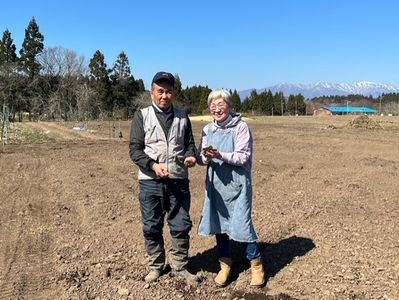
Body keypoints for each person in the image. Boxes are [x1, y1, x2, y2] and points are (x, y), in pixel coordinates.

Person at [129, 71, 199, 284]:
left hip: (178, 180)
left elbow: (189, 146)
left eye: (169, 91)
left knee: (180, 224)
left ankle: (179, 266)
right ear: (152, 93)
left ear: (173, 94)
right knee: (151, 225)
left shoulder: (182, 116)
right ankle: (156, 266)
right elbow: (135, 149)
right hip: (151, 181)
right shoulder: (142, 116)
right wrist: (152, 165)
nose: (164, 96)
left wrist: (190, 157)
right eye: (160, 91)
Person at [196, 89, 265, 287]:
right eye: (213, 107)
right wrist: (201, 157)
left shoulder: (241, 127)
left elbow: (243, 157)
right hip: (216, 184)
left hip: (238, 183)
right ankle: (225, 264)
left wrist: (220, 155)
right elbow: (202, 157)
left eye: (221, 105)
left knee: (242, 223)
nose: (217, 110)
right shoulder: (208, 129)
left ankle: (256, 264)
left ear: (229, 106)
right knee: (219, 224)